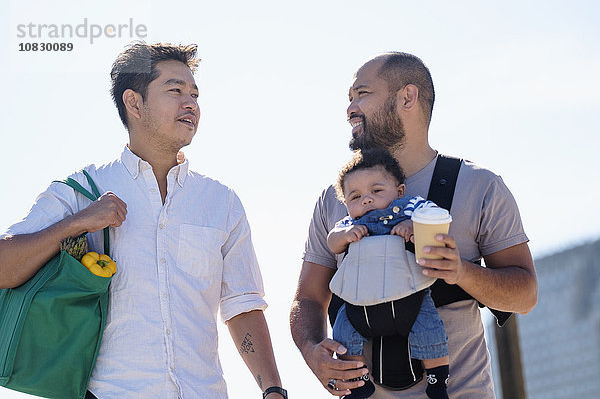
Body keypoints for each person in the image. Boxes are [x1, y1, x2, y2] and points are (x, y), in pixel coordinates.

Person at [0, 42, 286, 399]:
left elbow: (242, 305)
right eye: (175, 90)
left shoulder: (222, 202)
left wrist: (273, 389)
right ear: (134, 103)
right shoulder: (80, 191)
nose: (191, 104)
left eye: (195, 94)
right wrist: (76, 224)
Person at [290, 52, 537, 398]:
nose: (350, 109)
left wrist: (460, 271)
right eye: (349, 99)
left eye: (362, 94)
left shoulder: (480, 186)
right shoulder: (334, 199)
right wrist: (311, 351)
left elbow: (525, 295)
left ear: (407, 97)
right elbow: (309, 299)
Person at [327, 148, 450, 399]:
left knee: (429, 326)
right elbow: (332, 242)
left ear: (400, 191)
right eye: (356, 197)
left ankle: (437, 381)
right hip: (359, 302)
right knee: (342, 331)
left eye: (377, 191)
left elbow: (435, 218)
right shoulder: (350, 224)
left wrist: (413, 226)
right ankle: (357, 382)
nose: (367, 200)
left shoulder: (408, 207)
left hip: (409, 295)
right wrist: (343, 237)